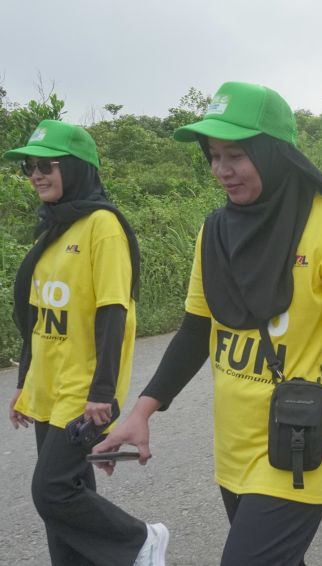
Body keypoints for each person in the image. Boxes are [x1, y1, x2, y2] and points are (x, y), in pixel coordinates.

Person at [92, 82, 322, 565]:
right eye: (214, 155)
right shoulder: (214, 230)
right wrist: (142, 411)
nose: (222, 170)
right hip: (235, 443)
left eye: (236, 155)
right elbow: (197, 330)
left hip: (299, 439)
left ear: (273, 153)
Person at [4, 120, 165, 565]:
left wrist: (103, 393)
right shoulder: (54, 228)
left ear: (76, 167)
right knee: (68, 501)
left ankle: (140, 542)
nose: (36, 174)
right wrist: (25, 382)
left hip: (82, 389)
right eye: (30, 167)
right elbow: (36, 318)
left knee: (53, 492)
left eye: (47, 165)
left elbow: (113, 311)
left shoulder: (102, 226)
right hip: (48, 386)